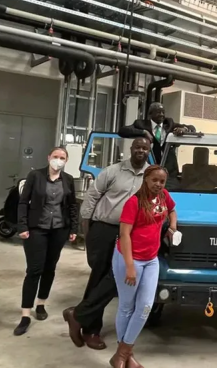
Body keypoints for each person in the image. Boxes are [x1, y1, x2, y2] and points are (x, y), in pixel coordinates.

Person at [63, 138, 151, 350]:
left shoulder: (150, 176)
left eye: (145, 148)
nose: (141, 150)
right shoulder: (113, 171)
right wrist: (87, 228)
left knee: (116, 278)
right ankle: (91, 331)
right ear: (131, 149)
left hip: (130, 233)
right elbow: (92, 197)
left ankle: (78, 315)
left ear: (149, 151)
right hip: (104, 229)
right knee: (99, 276)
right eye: (137, 147)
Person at [109, 166, 177, 368]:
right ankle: (125, 355)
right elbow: (124, 234)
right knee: (127, 307)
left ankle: (121, 354)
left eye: (162, 181)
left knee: (145, 307)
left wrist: (172, 227)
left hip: (151, 260)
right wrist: (129, 266)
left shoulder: (164, 196)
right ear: (146, 179)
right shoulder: (134, 202)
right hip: (130, 259)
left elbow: (172, 210)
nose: (158, 184)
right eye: (154, 180)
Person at [15, 147, 79, 336]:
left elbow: (72, 205)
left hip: (59, 229)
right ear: (48, 157)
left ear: (66, 161)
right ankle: (25, 315)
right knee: (34, 270)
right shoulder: (35, 176)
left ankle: (41, 304)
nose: (58, 160)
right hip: (37, 229)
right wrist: (22, 226)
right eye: (55, 156)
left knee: (50, 268)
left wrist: (73, 228)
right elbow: (23, 202)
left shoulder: (68, 179)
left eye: (62, 158)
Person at [119, 102, 194, 163]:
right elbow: (122, 131)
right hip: (149, 165)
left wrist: (184, 129)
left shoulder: (169, 123)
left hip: (169, 168)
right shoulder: (141, 124)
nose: (161, 114)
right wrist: (144, 132)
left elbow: (192, 128)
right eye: (158, 112)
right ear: (150, 114)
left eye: (163, 112)